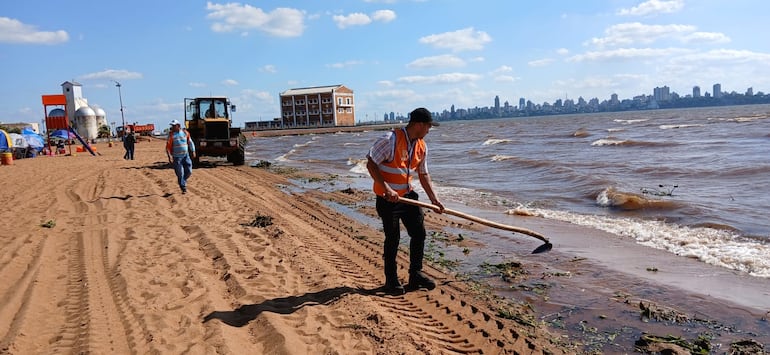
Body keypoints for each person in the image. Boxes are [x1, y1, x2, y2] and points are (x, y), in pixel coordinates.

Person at [366, 107, 445, 295]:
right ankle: (391, 280)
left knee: (419, 233)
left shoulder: (422, 146)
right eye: (428, 126)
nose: (429, 130)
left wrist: (435, 200)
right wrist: (386, 188)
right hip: (387, 199)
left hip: (408, 197)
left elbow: (423, 174)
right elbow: (370, 163)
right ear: (419, 124)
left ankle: (415, 275)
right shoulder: (390, 140)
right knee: (393, 238)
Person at [166, 119, 196, 194]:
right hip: (177, 157)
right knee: (180, 173)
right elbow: (168, 147)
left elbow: (190, 142)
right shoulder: (171, 135)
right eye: (172, 126)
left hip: (186, 155)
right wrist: (169, 157)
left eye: (174, 126)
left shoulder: (185, 133)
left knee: (189, 171)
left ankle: (183, 181)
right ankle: (183, 187)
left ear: (178, 126)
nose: (172, 127)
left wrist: (193, 151)